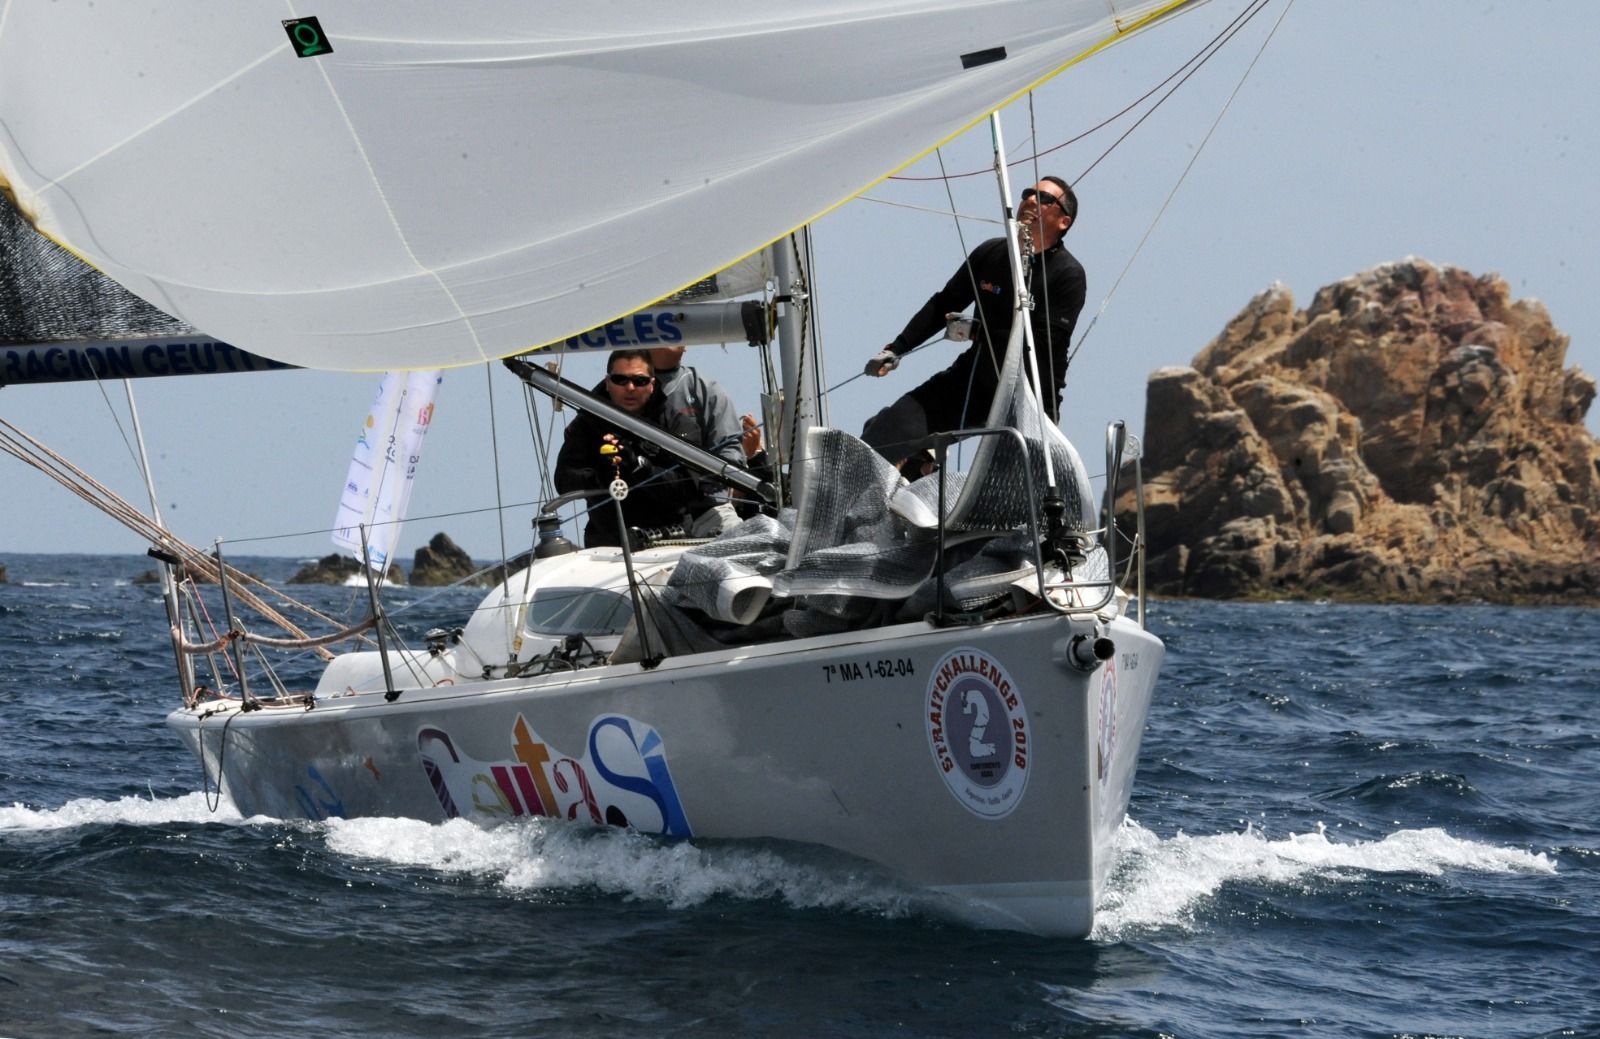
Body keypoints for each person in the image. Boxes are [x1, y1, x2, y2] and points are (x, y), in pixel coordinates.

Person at [861, 177, 1086, 471]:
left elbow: (1044, 348)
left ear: (1063, 222)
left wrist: (979, 332)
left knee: (1006, 489)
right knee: (884, 431)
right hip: (973, 378)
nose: (1030, 200)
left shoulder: (1068, 275)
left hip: (1027, 395)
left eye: (1043, 198)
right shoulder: (991, 253)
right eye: (1027, 193)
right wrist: (897, 348)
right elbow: (944, 303)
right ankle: (916, 473)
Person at [554, 350, 703, 547]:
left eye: (639, 381)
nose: (630, 388)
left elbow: (689, 488)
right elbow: (564, 481)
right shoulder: (587, 424)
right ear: (607, 383)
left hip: (670, 543)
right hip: (606, 546)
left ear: (652, 385)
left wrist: (639, 465)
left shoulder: (677, 425)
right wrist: (601, 475)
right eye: (620, 380)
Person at [649, 345, 752, 535]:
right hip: (636, 517)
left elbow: (730, 449)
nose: (630, 387)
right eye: (621, 380)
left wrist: (706, 481)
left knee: (739, 540)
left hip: (706, 512)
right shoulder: (617, 388)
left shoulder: (705, 388)